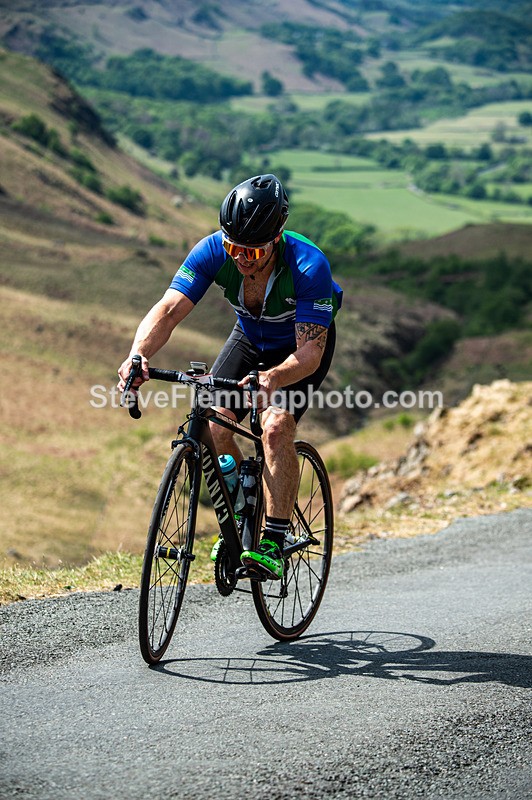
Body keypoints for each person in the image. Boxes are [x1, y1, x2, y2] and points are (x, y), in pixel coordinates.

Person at [118, 174, 342, 580]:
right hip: (250, 337)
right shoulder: (211, 251)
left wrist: (273, 378)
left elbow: (310, 353)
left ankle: (273, 539)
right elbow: (168, 310)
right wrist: (138, 354)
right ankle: (242, 516)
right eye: (233, 246)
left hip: (297, 352)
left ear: (275, 239)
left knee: (275, 426)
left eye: (252, 251)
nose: (241, 258)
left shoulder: (309, 266)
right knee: (213, 424)